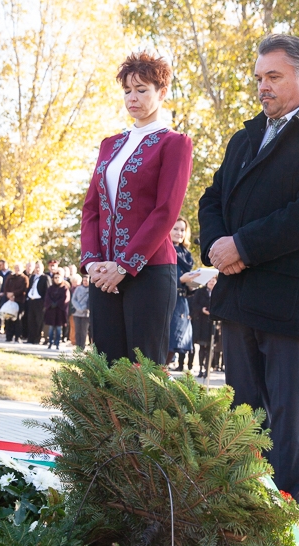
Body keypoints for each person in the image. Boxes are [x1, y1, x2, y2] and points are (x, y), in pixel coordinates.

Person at [198, 33, 299, 502]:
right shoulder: (245, 137)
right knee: (240, 418)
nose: (262, 86)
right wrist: (219, 248)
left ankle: (280, 523)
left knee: (284, 425)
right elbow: (212, 199)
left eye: (273, 76)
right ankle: (237, 512)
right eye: (258, 78)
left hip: (286, 304)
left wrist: (242, 246)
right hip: (237, 298)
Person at [80, 51, 192, 364]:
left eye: (142, 90)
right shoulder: (109, 144)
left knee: (143, 374)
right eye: (127, 90)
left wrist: (124, 265)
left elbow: (166, 211)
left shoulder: (175, 143)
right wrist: (92, 262)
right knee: (105, 370)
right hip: (103, 274)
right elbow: (91, 209)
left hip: (150, 272)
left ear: (162, 92)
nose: (133, 97)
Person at [167, 218, 198, 371]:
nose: (179, 233)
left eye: (182, 230)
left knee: (177, 343)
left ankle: (163, 372)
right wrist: (180, 280)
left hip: (182, 304)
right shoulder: (164, 249)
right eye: (175, 229)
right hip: (168, 301)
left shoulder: (187, 255)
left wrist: (194, 284)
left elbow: (190, 286)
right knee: (167, 342)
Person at [189, 275, 217, 378]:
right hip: (201, 324)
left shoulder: (218, 292)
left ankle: (207, 369)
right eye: (210, 280)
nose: (211, 282)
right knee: (201, 347)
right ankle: (201, 369)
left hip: (213, 324)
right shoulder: (200, 292)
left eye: (213, 280)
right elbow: (194, 305)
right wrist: (202, 310)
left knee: (210, 348)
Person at [24, 261, 51, 345]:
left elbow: (48, 291)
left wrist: (45, 303)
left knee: (39, 321)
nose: (37, 269)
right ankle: (30, 339)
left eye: (39, 267)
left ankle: (37, 339)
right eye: (36, 267)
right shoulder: (32, 277)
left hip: (40, 302)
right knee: (30, 320)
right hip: (31, 300)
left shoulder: (45, 278)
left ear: (42, 268)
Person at [44, 271, 71, 350]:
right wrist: (51, 303)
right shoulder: (50, 288)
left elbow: (65, 298)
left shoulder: (64, 288)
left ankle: (57, 343)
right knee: (51, 328)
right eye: (55, 277)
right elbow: (47, 297)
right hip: (51, 311)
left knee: (59, 328)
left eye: (58, 277)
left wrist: (58, 303)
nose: (57, 279)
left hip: (60, 311)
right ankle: (50, 342)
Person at [2, 263, 29, 342]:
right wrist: (8, 295)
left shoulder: (24, 278)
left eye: (19, 268)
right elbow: (5, 287)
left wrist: (14, 294)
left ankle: (17, 336)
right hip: (10, 301)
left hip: (19, 300)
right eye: (16, 268)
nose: (17, 269)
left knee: (18, 319)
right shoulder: (10, 277)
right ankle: (8, 336)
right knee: (8, 318)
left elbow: (24, 288)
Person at [70, 274, 90, 349]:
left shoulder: (91, 290)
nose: (85, 282)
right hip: (77, 313)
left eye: (86, 280)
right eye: (84, 280)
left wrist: (83, 308)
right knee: (77, 331)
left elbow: (90, 301)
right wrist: (78, 308)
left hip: (86, 313)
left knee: (84, 331)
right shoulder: (78, 289)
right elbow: (73, 299)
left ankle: (82, 346)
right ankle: (78, 346)